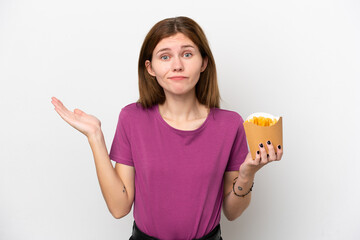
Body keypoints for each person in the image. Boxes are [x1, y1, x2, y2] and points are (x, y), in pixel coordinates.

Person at [51, 16, 283, 240]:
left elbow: (233, 213)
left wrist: (247, 174)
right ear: (150, 68)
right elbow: (119, 207)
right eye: (165, 57)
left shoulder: (230, 124)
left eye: (187, 54)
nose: (177, 65)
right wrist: (95, 137)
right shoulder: (132, 118)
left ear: (203, 62)